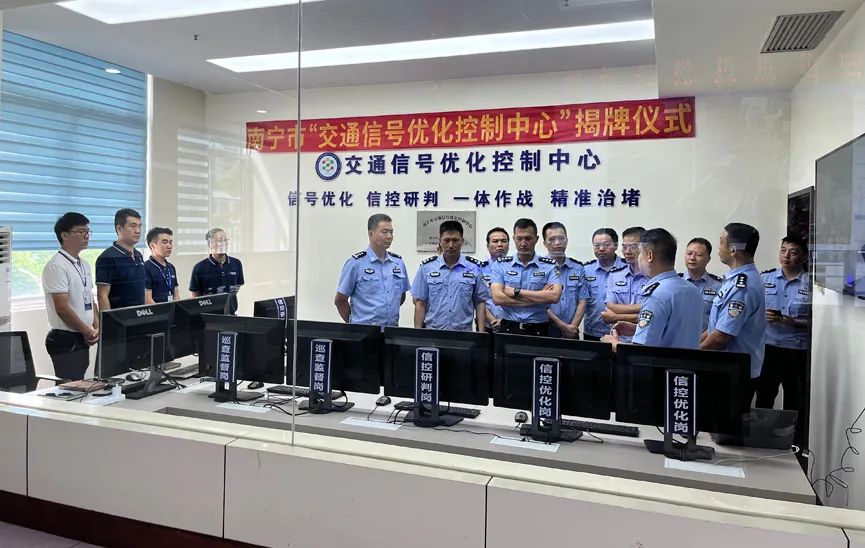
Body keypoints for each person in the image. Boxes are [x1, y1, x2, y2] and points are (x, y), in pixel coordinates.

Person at [603, 228, 702, 351]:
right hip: (688, 362)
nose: (638, 258)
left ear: (649, 256)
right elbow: (676, 332)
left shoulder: (656, 295)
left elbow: (640, 353)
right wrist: (637, 329)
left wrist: (612, 343)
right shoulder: (692, 290)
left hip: (661, 363)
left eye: (639, 253)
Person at [701, 223, 766, 395]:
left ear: (733, 250)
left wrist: (691, 356)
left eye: (721, 242)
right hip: (727, 368)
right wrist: (692, 345)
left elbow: (720, 336)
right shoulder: (735, 280)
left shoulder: (742, 287)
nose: (718, 248)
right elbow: (715, 327)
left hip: (733, 373)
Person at [757, 235, 810, 441]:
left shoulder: (811, 284)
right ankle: (760, 438)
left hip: (796, 350)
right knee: (764, 395)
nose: (786, 256)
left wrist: (792, 321)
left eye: (793, 252)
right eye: (783, 250)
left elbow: (818, 322)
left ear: (804, 257)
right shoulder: (765, 279)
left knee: (795, 399)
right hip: (768, 347)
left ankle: (794, 443)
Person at [41, 212, 99, 380]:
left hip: (83, 335)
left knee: (79, 382)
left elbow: (90, 298)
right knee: (69, 386)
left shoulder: (84, 264)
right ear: (64, 235)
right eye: (81, 231)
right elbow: (62, 308)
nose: (86, 236)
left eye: (88, 231)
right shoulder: (56, 266)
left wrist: (97, 327)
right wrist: (87, 331)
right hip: (65, 338)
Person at [490, 218, 562, 336]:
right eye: (519, 239)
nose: (523, 244)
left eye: (528, 239)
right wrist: (540, 297)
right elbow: (498, 298)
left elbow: (554, 296)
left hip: (539, 328)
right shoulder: (501, 265)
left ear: (536, 239)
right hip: (508, 327)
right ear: (514, 239)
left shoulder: (550, 266)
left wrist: (517, 292)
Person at [335, 213, 410, 326]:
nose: (389, 236)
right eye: (384, 232)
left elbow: (401, 296)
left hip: (391, 330)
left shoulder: (398, 263)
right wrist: (354, 324)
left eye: (391, 232)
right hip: (364, 331)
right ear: (371, 234)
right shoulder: (356, 263)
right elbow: (340, 300)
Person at [411, 221, 487, 331]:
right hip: (433, 332)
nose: (451, 245)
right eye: (446, 240)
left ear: (462, 241)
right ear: (440, 242)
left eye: (455, 240)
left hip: (463, 333)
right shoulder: (427, 267)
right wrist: (417, 334)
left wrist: (481, 333)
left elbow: (480, 303)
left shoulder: (474, 267)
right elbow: (420, 303)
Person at [601, 227, 648, 341]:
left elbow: (652, 315)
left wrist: (615, 316)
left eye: (633, 247)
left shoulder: (653, 278)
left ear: (645, 248)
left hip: (644, 340)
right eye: (624, 247)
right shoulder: (615, 275)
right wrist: (639, 309)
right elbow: (610, 307)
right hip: (618, 339)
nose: (627, 251)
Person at [542, 222, 587, 338]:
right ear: (544, 243)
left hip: (572, 330)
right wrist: (563, 326)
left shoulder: (578, 268)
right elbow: (538, 302)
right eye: (552, 239)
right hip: (545, 329)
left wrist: (572, 327)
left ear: (567, 240)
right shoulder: (538, 268)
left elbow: (582, 301)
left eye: (561, 238)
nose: (557, 243)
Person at [95, 208, 145, 311]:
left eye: (139, 226)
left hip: (140, 315)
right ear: (119, 228)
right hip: (120, 317)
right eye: (133, 226)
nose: (138, 231)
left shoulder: (138, 255)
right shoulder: (107, 257)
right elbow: (102, 296)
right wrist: (108, 319)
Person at [582, 228, 627, 341]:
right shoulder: (586, 270)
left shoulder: (627, 268)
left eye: (606, 245)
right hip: (592, 332)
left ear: (616, 245)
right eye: (597, 245)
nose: (601, 249)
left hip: (621, 333)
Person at [189, 228, 245, 314]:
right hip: (208, 317)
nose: (223, 243)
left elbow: (236, 287)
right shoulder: (199, 268)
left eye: (225, 240)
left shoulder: (236, 264)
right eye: (219, 240)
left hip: (231, 315)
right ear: (210, 244)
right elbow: (194, 295)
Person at [679, 237, 723, 332]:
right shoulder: (674, 283)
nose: (692, 258)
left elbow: (720, 321)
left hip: (706, 339)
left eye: (698, 255)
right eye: (689, 253)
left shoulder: (719, 286)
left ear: (708, 259)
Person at [480, 227, 510, 332]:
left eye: (503, 241)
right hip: (488, 325)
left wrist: (504, 321)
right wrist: (493, 320)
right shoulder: (480, 269)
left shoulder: (517, 269)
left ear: (509, 245)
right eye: (495, 241)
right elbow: (478, 300)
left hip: (511, 323)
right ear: (488, 246)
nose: (500, 244)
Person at [144, 227, 179, 304]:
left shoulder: (171, 267)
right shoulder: (145, 268)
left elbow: (176, 295)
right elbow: (147, 300)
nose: (169, 246)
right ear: (152, 245)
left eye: (170, 242)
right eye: (165, 242)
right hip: (156, 310)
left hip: (172, 309)